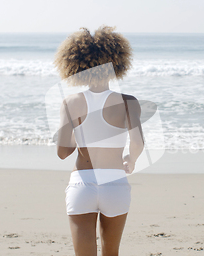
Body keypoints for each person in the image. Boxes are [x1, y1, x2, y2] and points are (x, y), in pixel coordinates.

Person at [54, 25, 145, 256]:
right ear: (116, 65)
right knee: (111, 253)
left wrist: (81, 134)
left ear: (78, 65)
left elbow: (63, 152)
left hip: (82, 184)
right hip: (115, 183)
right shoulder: (128, 102)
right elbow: (138, 142)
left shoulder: (70, 103)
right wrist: (131, 161)